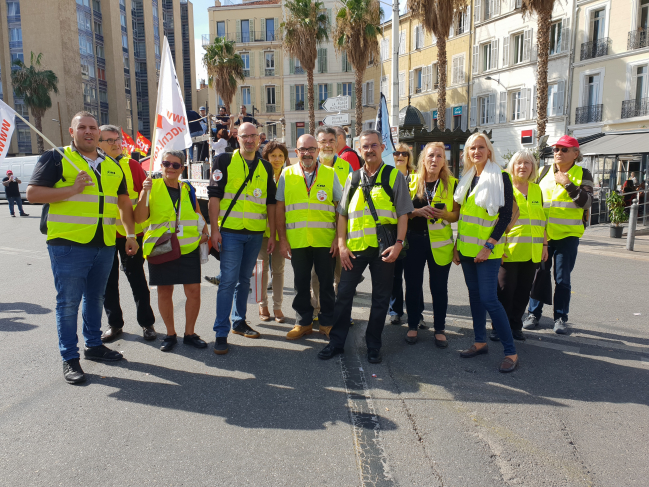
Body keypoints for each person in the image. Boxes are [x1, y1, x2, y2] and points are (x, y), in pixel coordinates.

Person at [26, 111, 138, 384]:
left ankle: (94, 345)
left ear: (98, 133)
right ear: (72, 130)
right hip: (68, 244)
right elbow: (33, 194)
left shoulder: (112, 165)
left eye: (93, 128)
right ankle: (69, 357)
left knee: (95, 299)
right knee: (68, 303)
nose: (88, 132)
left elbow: (123, 203)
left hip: (105, 244)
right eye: (82, 128)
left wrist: (131, 234)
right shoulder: (56, 158)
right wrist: (71, 190)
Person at [318, 130, 413, 364]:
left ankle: (373, 345)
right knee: (344, 295)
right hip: (355, 249)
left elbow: (403, 214)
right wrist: (341, 245)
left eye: (373, 145)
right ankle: (336, 342)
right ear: (359, 150)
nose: (369, 150)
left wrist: (399, 244)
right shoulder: (353, 178)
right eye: (365, 147)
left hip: (384, 249)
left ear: (382, 148)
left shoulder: (394, 176)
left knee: (380, 299)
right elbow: (341, 215)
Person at [452, 132, 518, 373]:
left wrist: (489, 246)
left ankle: (511, 352)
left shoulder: (500, 177)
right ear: (467, 153)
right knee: (475, 297)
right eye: (472, 148)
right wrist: (457, 246)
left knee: (490, 299)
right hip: (467, 250)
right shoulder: (468, 178)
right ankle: (480, 342)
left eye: (481, 147)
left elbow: (505, 216)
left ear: (489, 151)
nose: (476, 152)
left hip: (487, 251)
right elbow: (465, 218)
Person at [209, 122, 277, 355]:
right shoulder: (224, 161)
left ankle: (239, 321)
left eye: (253, 136)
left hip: (255, 233)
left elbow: (269, 203)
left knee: (244, 281)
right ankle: (220, 332)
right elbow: (214, 197)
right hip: (230, 232)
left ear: (259, 139)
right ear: (237, 138)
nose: (249, 140)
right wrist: (214, 229)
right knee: (227, 281)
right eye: (244, 136)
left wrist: (271, 233)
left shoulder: (266, 167)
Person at [135, 149, 210, 352]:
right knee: (164, 291)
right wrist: (144, 193)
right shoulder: (152, 186)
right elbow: (139, 218)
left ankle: (189, 333)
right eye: (166, 164)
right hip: (162, 248)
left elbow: (196, 212)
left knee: (193, 292)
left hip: (188, 248)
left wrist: (206, 233)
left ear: (182, 168)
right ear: (161, 166)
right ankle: (169, 334)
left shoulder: (186, 188)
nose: (170, 168)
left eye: (175, 165)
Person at [523, 135, 593, 334]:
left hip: (567, 236)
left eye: (563, 149)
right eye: (556, 149)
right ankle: (533, 313)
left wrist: (567, 183)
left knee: (562, 279)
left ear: (575, 154)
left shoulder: (583, 173)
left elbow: (587, 202)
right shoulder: (544, 171)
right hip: (542, 235)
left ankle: (561, 317)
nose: (558, 153)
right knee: (539, 274)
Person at [277, 134, 342, 340]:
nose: (307, 153)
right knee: (301, 283)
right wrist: (283, 239)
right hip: (297, 241)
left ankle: (327, 322)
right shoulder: (287, 174)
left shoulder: (330, 174)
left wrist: (338, 239)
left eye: (311, 149)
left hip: (325, 239)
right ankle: (303, 322)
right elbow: (280, 208)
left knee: (326, 284)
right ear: (296, 152)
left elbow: (341, 209)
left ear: (318, 151)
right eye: (302, 150)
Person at [97, 125, 157, 343]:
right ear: (98, 143)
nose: (116, 144)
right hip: (103, 234)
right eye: (110, 140)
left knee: (137, 280)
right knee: (107, 282)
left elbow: (143, 199)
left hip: (131, 234)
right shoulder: (95, 166)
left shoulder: (132, 165)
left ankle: (147, 323)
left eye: (117, 139)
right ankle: (114, 324)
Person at [404, 142, 460, 347]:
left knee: (438, 288)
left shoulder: (453, 183)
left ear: (444, 161)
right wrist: (416, 212)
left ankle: (439, 328)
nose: (434, 160)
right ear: (423, 159)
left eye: (439, 156)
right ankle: (412, 325)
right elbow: (400, 212)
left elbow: (457, 215)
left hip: (440, 244)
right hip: (414, 241)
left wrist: (445, 214)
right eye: (430, 156)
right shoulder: (410, 181)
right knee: (412, 286)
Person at [495, 149, 549, 342]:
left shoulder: (536, 189)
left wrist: (544, 244)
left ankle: (516, 326)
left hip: (532, 252)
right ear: (512, 166)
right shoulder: (504, 187)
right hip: (508, 250)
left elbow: (542, 220)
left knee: (523, 292)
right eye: (519, 163)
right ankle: (499, 327)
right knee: (504, 291)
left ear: (533, 167)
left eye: (527, 163)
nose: (523, 166)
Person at [310, 126, 351, 321]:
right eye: (323, 141)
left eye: (331, 141)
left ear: (337, 142)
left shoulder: (346, 167)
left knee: (342, 275)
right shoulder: (309, 165)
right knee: (316, 275)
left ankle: (341, 312)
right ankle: (316, 310)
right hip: (318, 230)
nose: (327, 145)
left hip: (343, 230)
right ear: (317, 145)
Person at [258, 141, 289, 323]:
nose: (277, 159)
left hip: (281, 232)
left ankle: (277, 307)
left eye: (280, 156)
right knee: (261, 270)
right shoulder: (262, 175)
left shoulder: (290, 176)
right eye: (273, 156)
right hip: (262, 231)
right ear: (266, 157)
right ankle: (263, 305)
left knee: (278, 270)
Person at [388, 142, 417, 325]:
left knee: (413, 278)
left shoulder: (417, 177)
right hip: (394, 232)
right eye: (396, 153)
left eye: (404, 154)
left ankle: (417, 313)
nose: (399, 156)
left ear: (409, 158)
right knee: (394, 276)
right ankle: (395, 310)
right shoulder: (388, 176)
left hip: (414, 232)